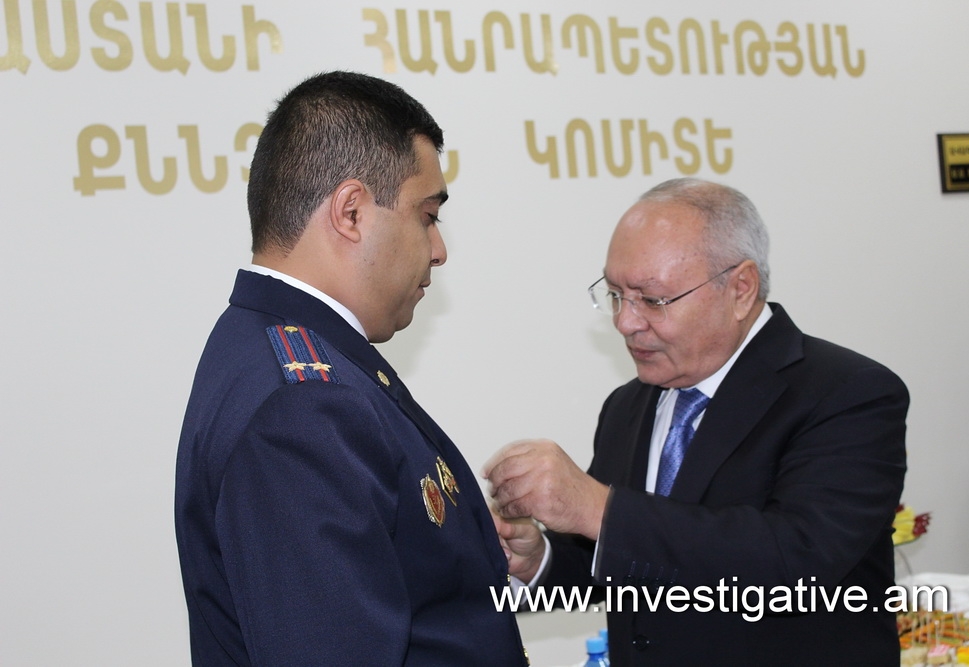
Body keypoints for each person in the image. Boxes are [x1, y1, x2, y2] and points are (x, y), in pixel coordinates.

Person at [175, 71, 528, 666]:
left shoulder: (282, 349)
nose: (439, 250)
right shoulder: (302, 406)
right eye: (427, 215)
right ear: (351, 211)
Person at [484, 178, 908, 666]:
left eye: (652, 299)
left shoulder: (847, 392)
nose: (625, 322)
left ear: (741, 289)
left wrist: (597, 507)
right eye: (616, 294)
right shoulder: (628, 404)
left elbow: (799, 563)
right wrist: (541, 559)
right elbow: (632, 561)